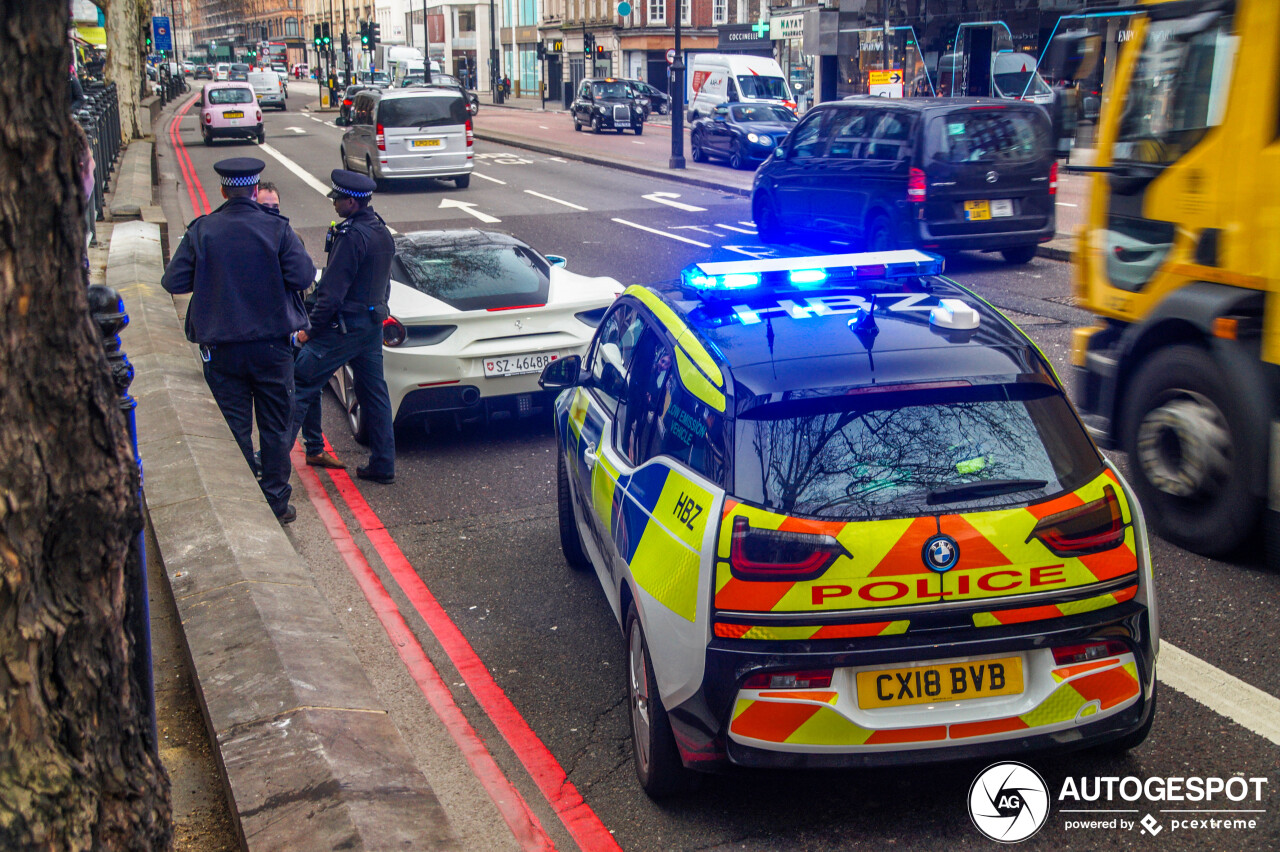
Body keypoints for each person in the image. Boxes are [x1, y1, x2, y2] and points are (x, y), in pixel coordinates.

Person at [162, 158, 316, 523]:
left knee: (235, 428)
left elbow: (174, 282)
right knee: (276, 427)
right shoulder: (276, 230)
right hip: (272, 349)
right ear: (253, 188)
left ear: (222, 191)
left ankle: (245, 502)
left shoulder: (203, 230)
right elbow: (304, 275)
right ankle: (277, 503)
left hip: (223, 350)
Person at [291, 169, 396, 484]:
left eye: (339, 199)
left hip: (342, 329)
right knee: (374, 393)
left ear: (353, 202)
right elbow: (384, 283)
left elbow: (331, 293)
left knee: (300, 384)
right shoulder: (382, 231)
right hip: (371, 326)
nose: (335, 203)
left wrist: (310, 330)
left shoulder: (351, 236)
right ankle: (383, 464)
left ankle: (268, 466)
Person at [258, 180, 345, 470]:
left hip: (294, 327)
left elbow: (306, 282)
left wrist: (307, 325)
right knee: (277, 397)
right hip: (264, 332)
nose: (271, 212)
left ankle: (314, 448)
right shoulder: (250, 241)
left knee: (311, 385)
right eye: (264, 207)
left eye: (275, 207)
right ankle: (270, 457)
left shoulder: (291, 236)